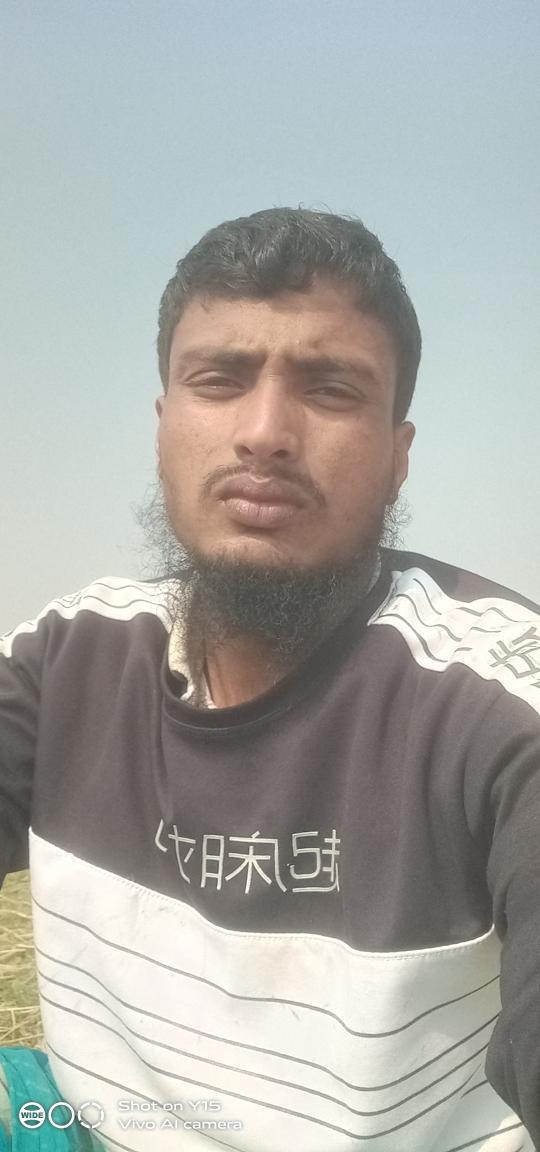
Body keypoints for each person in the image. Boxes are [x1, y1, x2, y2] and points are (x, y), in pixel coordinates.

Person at [1, 208, 539, 1152]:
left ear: (398, 455)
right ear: (163, 427)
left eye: (330, 389)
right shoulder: (68, 655)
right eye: (219, 379)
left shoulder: (493, 702)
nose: (264, 433)